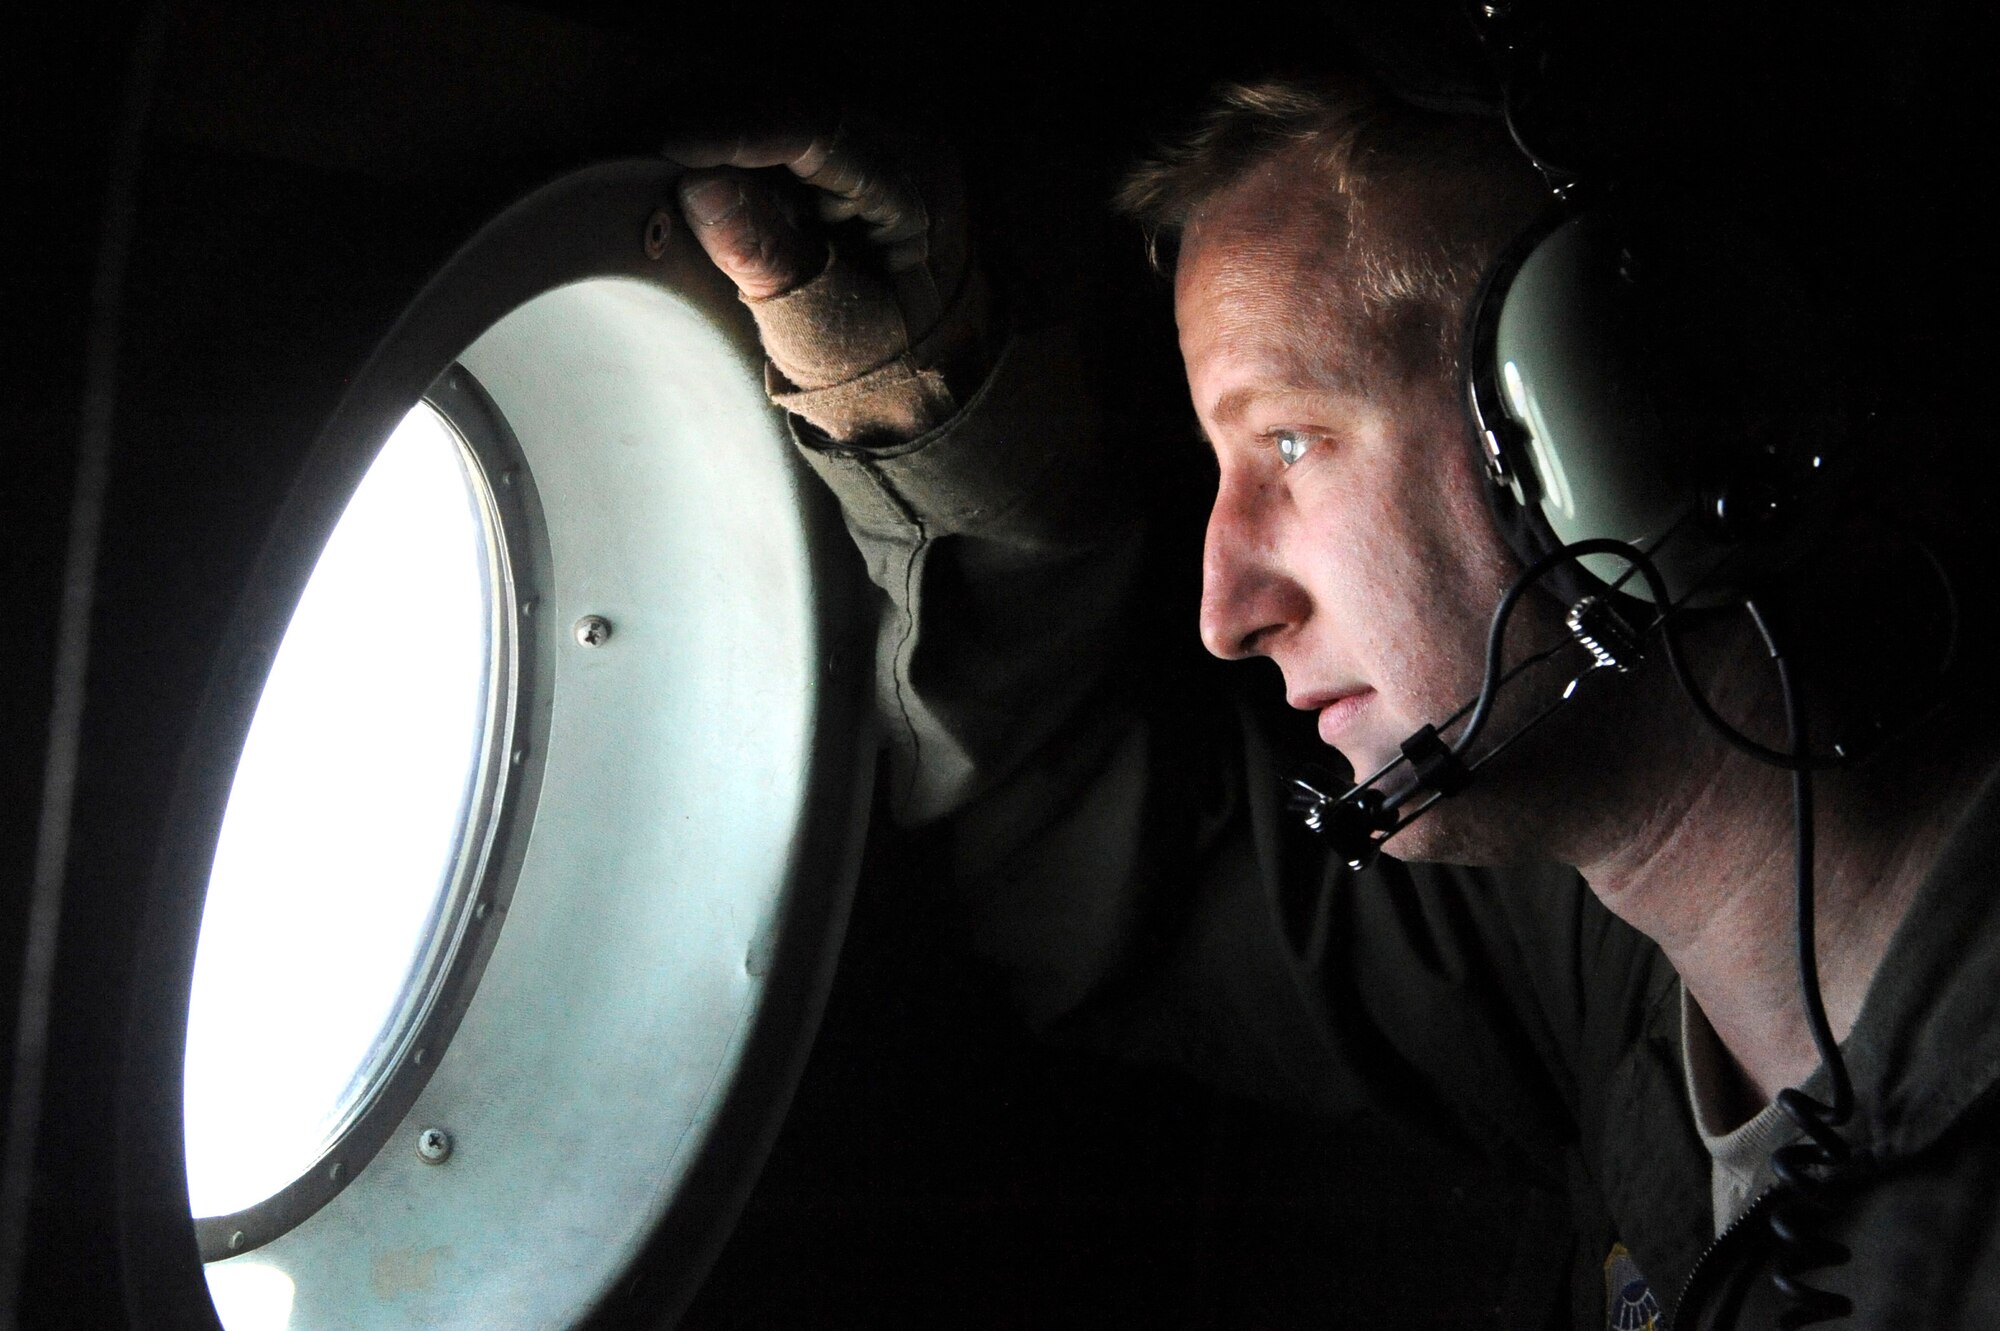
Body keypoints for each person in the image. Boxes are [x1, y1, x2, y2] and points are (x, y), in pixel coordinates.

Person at [663, 67, 2000, 1330]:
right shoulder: (1606, 958)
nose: (1229, 613)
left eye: (1289, 443)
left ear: (1619, 416)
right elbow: (1106, 878)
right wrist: (909, 387)